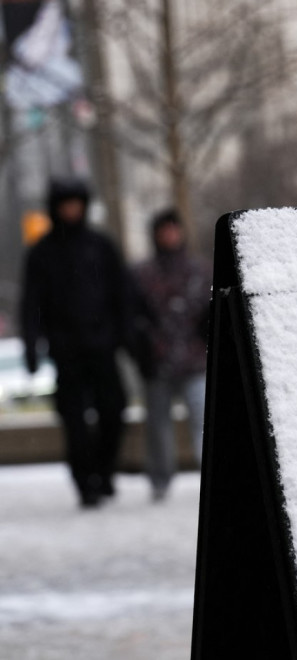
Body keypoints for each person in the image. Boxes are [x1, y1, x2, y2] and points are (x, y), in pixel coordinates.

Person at [20, 178, 131, 509]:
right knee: (74, 421)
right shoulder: (41, 252)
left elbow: (122, 294)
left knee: (114, 410)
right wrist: (31, 346)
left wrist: (125, 337)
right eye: (64, 203)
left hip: (103, 346)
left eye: (75, 203)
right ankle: (85, 483)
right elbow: (31, 304)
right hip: (66, 351)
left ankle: (105, 471)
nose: (71, 209)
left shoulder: (101, 245)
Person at [132, 209, 211, 501]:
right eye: (163, 230)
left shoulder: (200, 271)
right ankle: (160, 480)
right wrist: (143, 352)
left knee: (205, 423)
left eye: (173, 229)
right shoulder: (142, 274)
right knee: (158, 426)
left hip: (196, 361)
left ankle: (212, 477)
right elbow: (133, 319)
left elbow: (209, 312)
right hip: (158, 363)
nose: (169, 236)